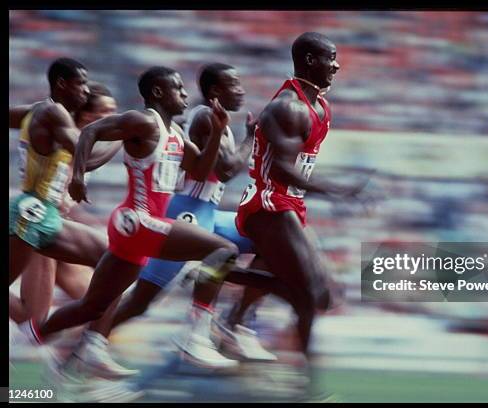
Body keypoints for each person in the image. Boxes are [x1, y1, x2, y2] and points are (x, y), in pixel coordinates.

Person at [23, 66, 289, 371]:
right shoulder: (143, 120)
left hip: (144, 226)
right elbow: (91, 132)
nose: (186, 94)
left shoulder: (175, 133)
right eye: (178, 89)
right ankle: (196, 335)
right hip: (136, 220)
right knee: (222, 250)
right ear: (159, 93)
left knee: (94, 305)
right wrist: (79, 176)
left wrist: (217, 132)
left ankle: (35, 335)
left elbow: (202, 170)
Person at [235, 32, 364, 359]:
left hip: (291, 205)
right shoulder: (287, 107)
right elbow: (281, 171)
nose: (337, 66)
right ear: (309, 60)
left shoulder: (321, 106)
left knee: (325, 298)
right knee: (309, 295)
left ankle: (234, 316)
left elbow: (299, 168)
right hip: (267, 203)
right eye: (330, 58)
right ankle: (303, 386)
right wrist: (337, 190)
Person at [9, 71, 134, 377]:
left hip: (53, 225)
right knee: (35, 324)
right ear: (86, 115)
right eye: (107, 114)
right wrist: (123, 134)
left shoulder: (63, 129)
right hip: (35, 225)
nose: (113, 119)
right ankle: (32, 381)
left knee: (103, 292)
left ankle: (85, 355)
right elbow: (86, 159)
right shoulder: (65, 133)